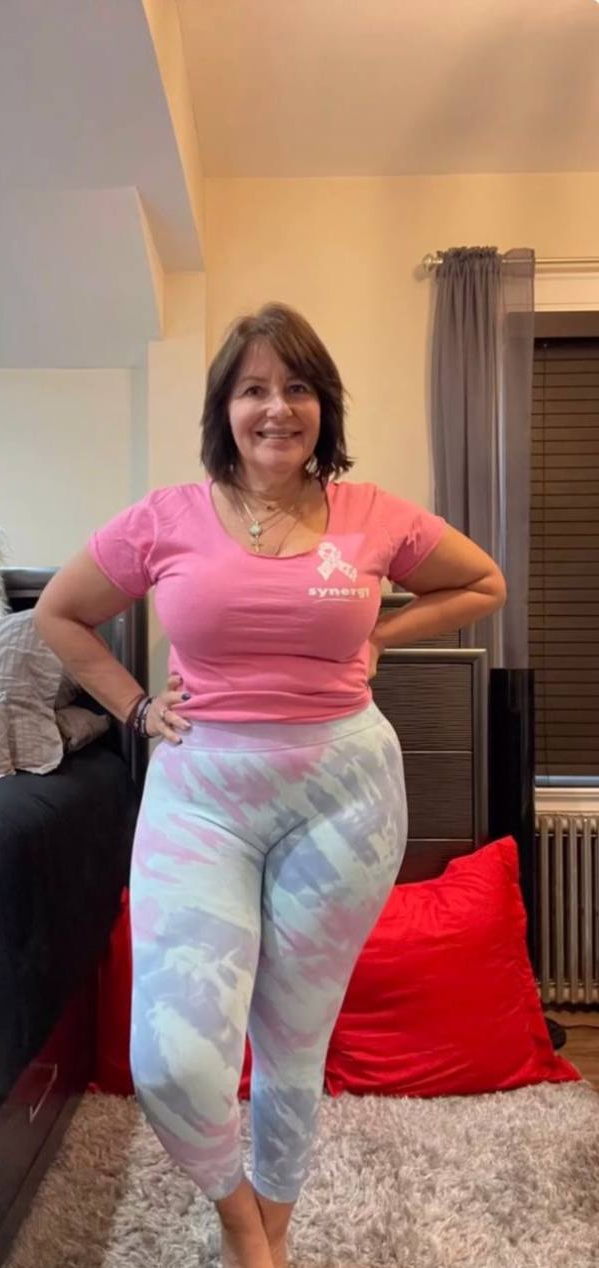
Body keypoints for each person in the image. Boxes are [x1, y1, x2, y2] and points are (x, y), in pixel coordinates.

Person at [34, 303, 506, 1268]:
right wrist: (135, 708)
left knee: (293, 1037)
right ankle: (236, 1208)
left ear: (323, 406)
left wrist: (382, 634)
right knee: (172, 1059)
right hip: (201, 792)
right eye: (253, 389)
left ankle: (267, 1239)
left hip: (346, 793)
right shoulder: (165, 517)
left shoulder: (373, 515)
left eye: (297, 388)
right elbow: (60, 614)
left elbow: (483, 584)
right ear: (225, 407)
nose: (276, 408)